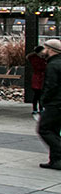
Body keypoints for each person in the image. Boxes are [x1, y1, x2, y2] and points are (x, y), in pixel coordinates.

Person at [37, 39, 61, 170]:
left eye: (45, 48)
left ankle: (58, 155)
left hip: (55, 103)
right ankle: (56, 160)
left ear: (51, 50)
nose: (42, 51)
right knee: (54, 131)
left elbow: (50, 86)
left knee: (44, 129)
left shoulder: (53, 65)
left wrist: (44, 100)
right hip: (58, 103)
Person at [28, 46, 48, 120]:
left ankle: (39, 108)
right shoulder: (36, 59)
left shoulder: (42, 58)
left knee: (39, 95)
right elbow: (39, 67)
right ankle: (36, 108)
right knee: (37, 95)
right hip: (38, 79)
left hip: (40, 78)